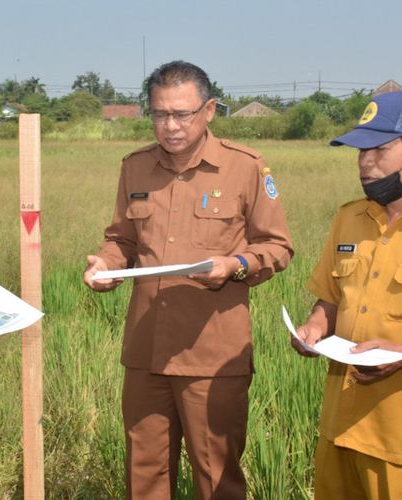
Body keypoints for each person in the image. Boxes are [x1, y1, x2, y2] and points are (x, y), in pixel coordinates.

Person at [83, 60, 293, 499]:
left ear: (210, 110)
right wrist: (105, 264)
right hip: (147, 353)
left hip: (211, 356)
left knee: (217, 478)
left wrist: (235, 265)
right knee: (145, 476)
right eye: (160, 114)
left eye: (183, 114)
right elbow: (121, 239)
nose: (171, 126)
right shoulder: (135, 168)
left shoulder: (245, 167)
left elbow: (277, 247)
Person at [291, 91, 402, 499]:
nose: (365, 162)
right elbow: (331, 300)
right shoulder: (350, 218)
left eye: (379, 149)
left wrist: (401, 356)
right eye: (360, 151)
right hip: (341, 427)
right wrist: (314, 326)